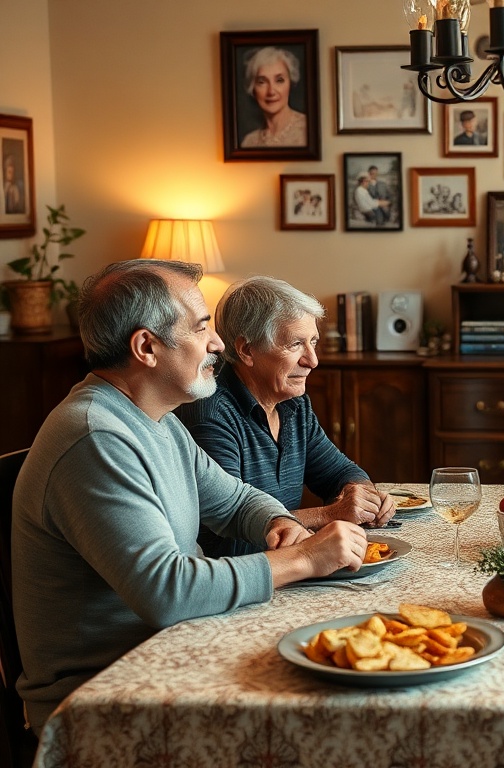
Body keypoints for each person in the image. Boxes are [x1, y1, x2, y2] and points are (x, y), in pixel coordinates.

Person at [11, 259, 369, 734]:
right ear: (147, 347)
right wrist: (304, 557)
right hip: (105, 698)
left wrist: (274, 521)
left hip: (172, 652)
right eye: (202, 327)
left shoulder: (154, 419)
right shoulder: (97, 437)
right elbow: (168, 591)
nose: (217, 342)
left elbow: (237, 499)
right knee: (331, 717)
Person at [177, 276, 396, 559]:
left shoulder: (293, 403)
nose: (312, 360)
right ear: (246, 350)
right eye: (295, 344)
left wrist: (360, 494)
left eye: (313, 342)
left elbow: (339, 472)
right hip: (243, 584)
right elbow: (227, 541)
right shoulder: (210, 414)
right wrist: (330, 514)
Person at [240, 47, 307, 148]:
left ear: (290, 83)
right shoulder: (249, 142)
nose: (271, 91)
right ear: (253, 88)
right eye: (261, 82)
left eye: (279, 80)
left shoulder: (307, 130)